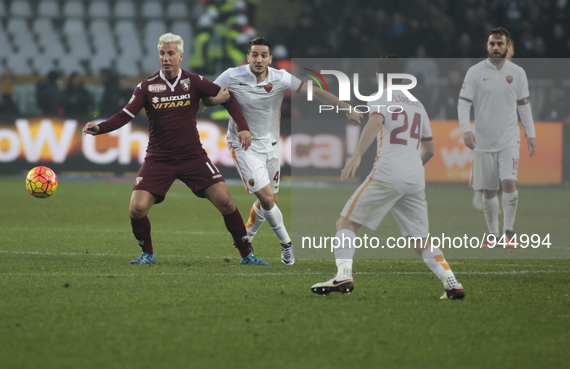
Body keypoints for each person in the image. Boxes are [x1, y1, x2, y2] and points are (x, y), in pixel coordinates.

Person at [83, 33, 268, 266]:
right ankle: (147, 254)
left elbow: (226, 98)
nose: (166, 58)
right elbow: (125, 115)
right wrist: (100, 128)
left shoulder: (193, 81)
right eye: (162, 53)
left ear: (180, 56)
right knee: (137, 209)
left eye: (171, 53)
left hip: (193, 156)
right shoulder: (147, 86)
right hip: (159, 159)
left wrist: (243, 128)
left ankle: (247, 255)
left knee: (227, 203)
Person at [311, 55, 465, 300]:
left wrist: (357, 156)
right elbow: (431, 149)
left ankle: (343, 274)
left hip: (387, 173)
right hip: (415, 178)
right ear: (404, 77)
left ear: (379, 75)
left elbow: (374, 121)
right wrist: (412, 167)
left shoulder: (381, 97)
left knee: (346, 223)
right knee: (420, 240)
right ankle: (452, 282)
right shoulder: (417, 104)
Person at [204, 37, 362, 265]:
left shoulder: (281, 78)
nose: (258, 59)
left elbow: (314, 92)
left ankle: (247, 233)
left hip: (272, 146)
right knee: (268, 199)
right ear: (247, 57)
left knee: (270, 199)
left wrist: (346, 107)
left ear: (270, 59)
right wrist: (215, 99)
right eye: (254, 54)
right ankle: (287, 244)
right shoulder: (231, 75)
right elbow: (206, 96)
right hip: (244, 145)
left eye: (263, 55)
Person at [458, 28, 536, 248]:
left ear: (507, 46)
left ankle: (508, 232)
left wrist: (530, 133)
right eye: (492, 44)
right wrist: (466, 130)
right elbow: (463, 102)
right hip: (482, 140)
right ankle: (492, 235)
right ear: (487, 46)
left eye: (500, 44)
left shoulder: (518, 73)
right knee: (490, 189)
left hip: (509, 137)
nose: (495, 48)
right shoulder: (474, 72)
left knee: (509, 182)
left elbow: (524, 105)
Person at [471, 36, 514, 211]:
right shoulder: (484, 71)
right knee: (485, 162)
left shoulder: (514, 73)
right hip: (487, 124)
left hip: (506, 126)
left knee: (503, 165)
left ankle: (499, 198)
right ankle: (478, 192)